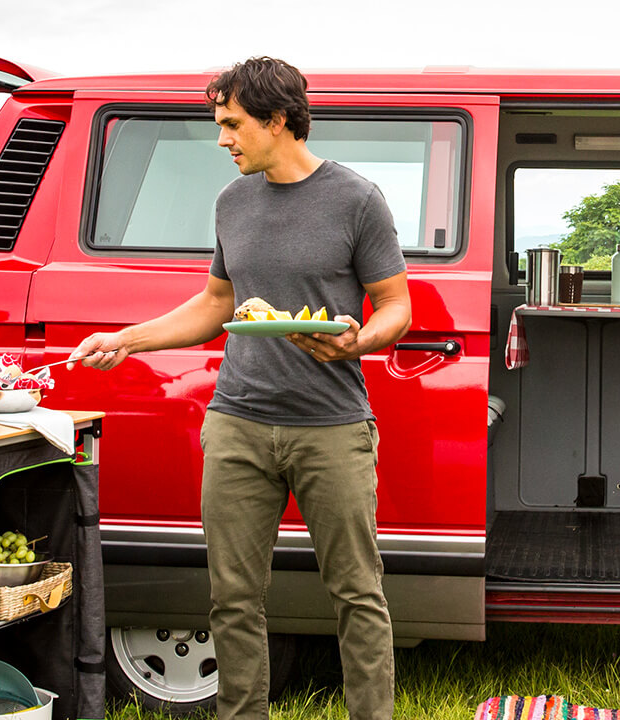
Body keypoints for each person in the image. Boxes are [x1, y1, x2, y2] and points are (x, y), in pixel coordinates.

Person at [68, 56, 411, 719]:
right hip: (238, 422)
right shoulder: (232, 202)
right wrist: (126, 339)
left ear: (278, 120)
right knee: (232, 596)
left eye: (231, 124)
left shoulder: (357, 199)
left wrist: (359, 340)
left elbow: (396, 306)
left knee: (357, 591)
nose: (222, 139)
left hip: (331, 425)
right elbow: (214, 306)